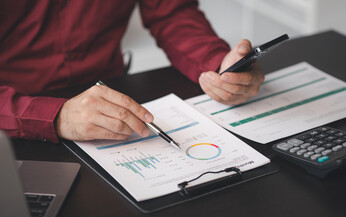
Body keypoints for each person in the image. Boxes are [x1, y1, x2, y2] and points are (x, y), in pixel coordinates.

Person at [0, 0, 264, 143]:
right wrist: (57, 117)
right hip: (12, 119)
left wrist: (219, 67)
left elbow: (170, 12)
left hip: (112, 96)